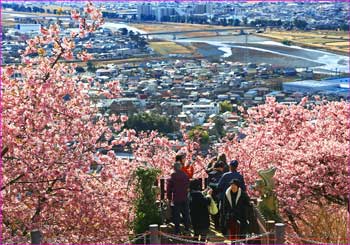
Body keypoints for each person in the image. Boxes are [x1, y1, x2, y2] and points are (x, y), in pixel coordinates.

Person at [167, 162, 191, 235]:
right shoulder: (185, 175)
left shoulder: (172, 176)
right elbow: (188, 186)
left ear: (174, 168)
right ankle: (187, 228)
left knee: (176, 214)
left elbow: (169, 188)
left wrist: (169, 197)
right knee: (186, 213)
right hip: (185, 197)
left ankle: (177, 230)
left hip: (176, 197)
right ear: (180, 168)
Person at [188, 179, 211, 243]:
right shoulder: (198, 196)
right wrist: (209, 195)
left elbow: (200, 195)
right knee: (203, 237)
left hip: (194, 220)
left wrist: (204, 192)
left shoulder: (190, 195)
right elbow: (207, 201)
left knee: (196, 235)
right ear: (198, 186)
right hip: (203, 221)